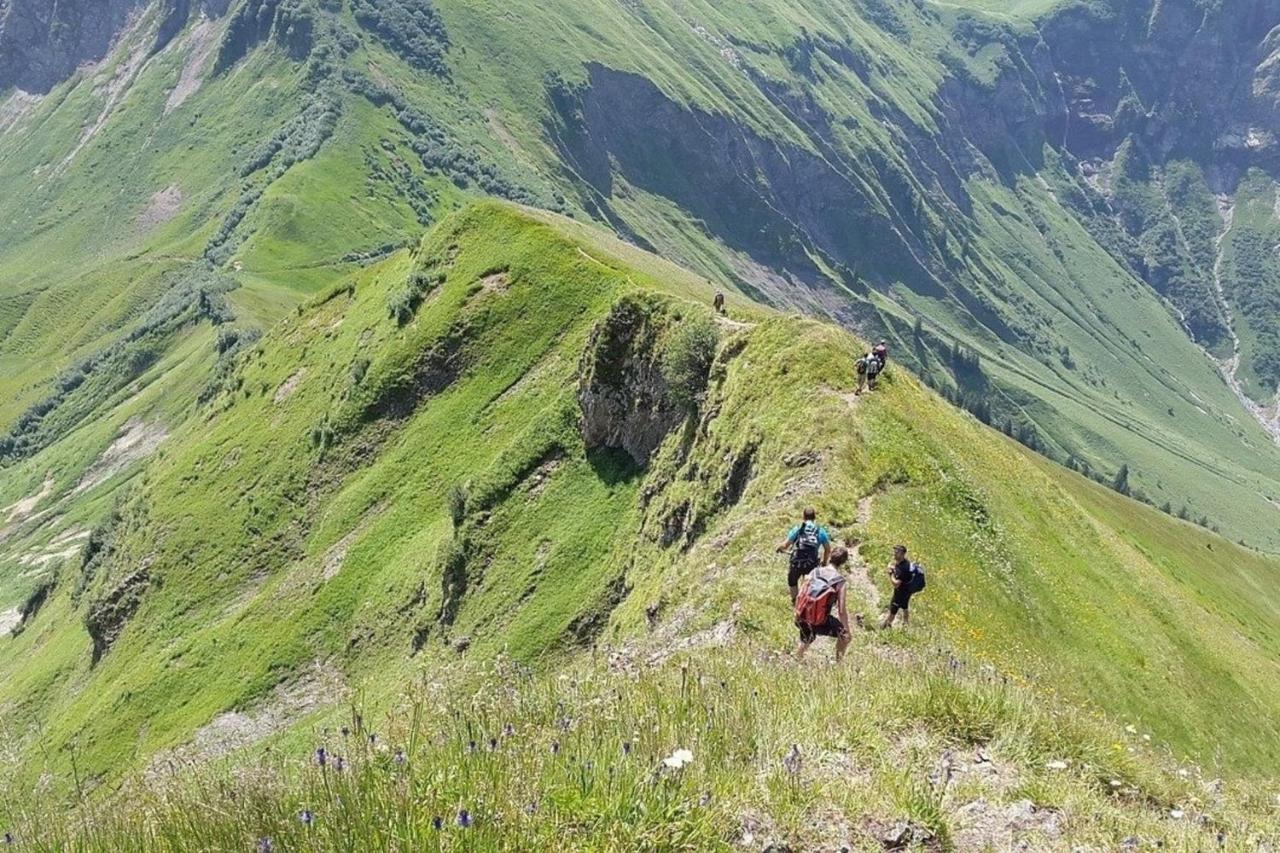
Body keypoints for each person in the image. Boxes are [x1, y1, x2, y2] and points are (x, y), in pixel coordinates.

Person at [794, 546, 853, 661]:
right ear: (843, 562)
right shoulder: (840, 581)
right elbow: (841, 610)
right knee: (844, 637)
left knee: (806, 638)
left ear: (830, 556)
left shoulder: (815, 571)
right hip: (821, 621)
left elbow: (801, 592)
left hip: (803, 616)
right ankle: (838, 663)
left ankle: (798, 659)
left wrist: (796, 612)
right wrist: (846, 630)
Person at [775, 508, 831, 602]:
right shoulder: (820, 531)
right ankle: (805, 604)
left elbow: (785, 545)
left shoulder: (798, 528)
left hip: (796, 561)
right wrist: (824, 562)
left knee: (792, 581)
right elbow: (828, 549)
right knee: (808, 584)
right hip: (811, 563)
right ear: (814, 518)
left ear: (803, 517)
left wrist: (779, 548)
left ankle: (795, 601)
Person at [880, 544, 920, 629]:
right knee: (905, 607)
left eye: (897, 552)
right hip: (907, 591)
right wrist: (893, 569)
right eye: (894, 551)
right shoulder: (904, 563)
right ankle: (905, 626)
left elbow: (896, 583)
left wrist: (890, 574)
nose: (894, 553)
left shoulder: (904, 568)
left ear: (902, 554)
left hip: (900, 593)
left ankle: (884, 627)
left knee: (893, 611)